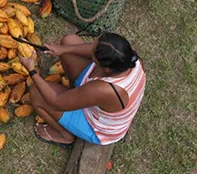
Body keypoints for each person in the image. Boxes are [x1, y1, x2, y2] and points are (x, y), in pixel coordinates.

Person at [18, 33, 146, 147]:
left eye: (94, 54)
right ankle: (75, 94)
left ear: (106, 69)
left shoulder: (105, 90)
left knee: (36, 92)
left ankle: (64, 135)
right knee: (69, 41)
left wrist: (31, 70)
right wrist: (62, 49)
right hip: (96, 95)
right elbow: (90, 49)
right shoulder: (127, 57)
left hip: (96, 127)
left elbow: (56, 102)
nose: (91, 50)